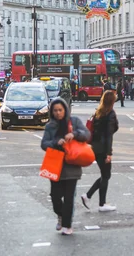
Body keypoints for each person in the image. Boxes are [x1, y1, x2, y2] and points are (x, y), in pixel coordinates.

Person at [40, 97, 90, 235]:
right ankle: (61, 215)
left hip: (72, 165)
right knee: (55, 197)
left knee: (69, 198)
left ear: (65, 110)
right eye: (55, 110)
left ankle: (67, 225)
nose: (58, 113)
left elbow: (87, 134)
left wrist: (74, 134)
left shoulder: (74, 122)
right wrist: (56, 142)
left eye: (60, 110)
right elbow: (44, 144)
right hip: (55, 165)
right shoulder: (50, 126)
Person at [81, 91, 118, 212]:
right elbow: (109, 135)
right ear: (112, 101)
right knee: (106, 175)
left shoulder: (98, 112)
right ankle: (99, 202)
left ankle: (90, 197)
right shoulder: (110, 114)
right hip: (103, 149)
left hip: (94, 148)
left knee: (104, 175)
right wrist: (109, 153)